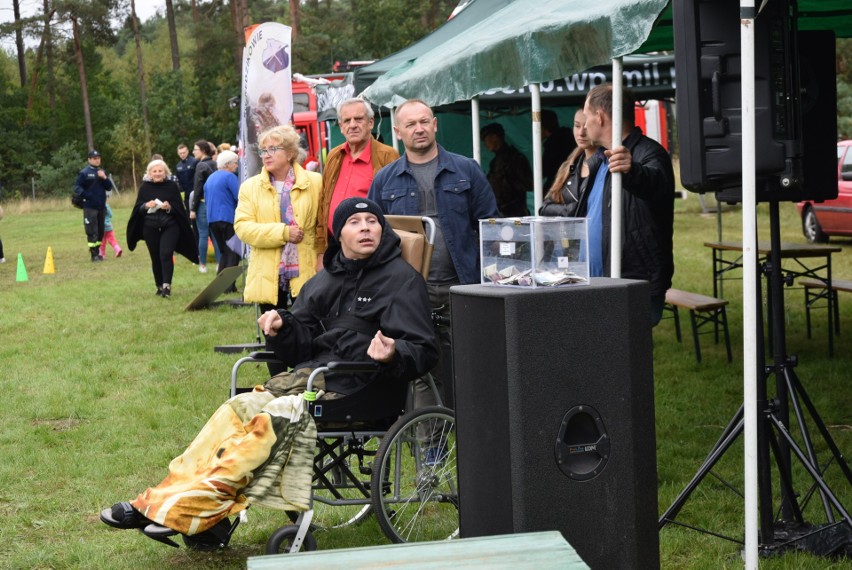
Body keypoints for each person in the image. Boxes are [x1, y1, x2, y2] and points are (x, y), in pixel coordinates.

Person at [99, 198, 438, 549]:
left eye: (372, 221)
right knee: (236, 409)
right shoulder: (325, 278)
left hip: (363, 387)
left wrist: (394, 352)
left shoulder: (402, 281)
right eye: (355, 222)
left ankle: (186, 513)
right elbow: (301, 345)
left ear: (382, 231)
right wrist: (281, 327)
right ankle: (160, 501)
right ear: (340, 233)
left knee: (268, 422)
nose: (365, 227)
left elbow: (425, 349)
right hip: (310, 380)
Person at [367, 98, 499, 411]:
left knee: (471, 363)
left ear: (435, 124)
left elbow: (490, 227)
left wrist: (491, 279)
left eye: (424, 121)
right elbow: (374, 239)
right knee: (420, 369)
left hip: (464, 286)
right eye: (410, 124)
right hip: (412, 293)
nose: (419, 129)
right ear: (398, 132)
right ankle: (431, 442)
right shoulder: (384, 180)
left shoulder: (466, 169)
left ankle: (474, 431)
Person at [580, 83, 675, 326]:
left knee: (627, 358)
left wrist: (631, 171)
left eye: (586, 115)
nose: (584, 124)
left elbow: (654, 184)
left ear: (599, 117)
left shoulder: (649, 154)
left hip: (631, 282)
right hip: (594, 282)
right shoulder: (599, 159)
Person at [234, 124, 323, 313]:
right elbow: (243, 228)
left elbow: (323, 224)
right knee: (274, 333)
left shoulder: (315, 182)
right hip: (266, 270)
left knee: (308, 329)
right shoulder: (250, 187)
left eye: (273, 149)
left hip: (307, 267)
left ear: (290, 153)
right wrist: (283, 233)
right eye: (263, 150)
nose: (266, 154)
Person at [316, 98, 399, 259]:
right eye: (347, 120)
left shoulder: (387, 156)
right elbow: (323, 203)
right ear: (341, 127)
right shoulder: (334, 155)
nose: (352, 125)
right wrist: (321, 250)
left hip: (370, 250)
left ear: (371, 122)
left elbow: (396, 210)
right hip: (336, 249)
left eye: (358, 119)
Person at [126, 159, 199, 297]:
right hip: (150, 226)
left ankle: (167, 286)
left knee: (165, 254)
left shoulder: (172, 186)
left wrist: (169, 207)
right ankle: (159, 286)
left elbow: (179, 208)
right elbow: (138, 209)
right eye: (155, 171)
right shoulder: (145, 187)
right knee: (155, 256)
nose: (158, 174)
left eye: (160, 171)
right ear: (149, 173)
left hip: (170, 225)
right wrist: (146, 206)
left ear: (165, 172)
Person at [539, 108, 599, 218]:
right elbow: (545, 207)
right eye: (577, 126)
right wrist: (571, 209)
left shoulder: (607, 165)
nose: (581, 132)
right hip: (571, 233)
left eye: (587, 126)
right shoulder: (570, 165)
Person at [205, 150, 241, 292]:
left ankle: (220, 284)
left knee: (224, 252)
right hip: (227, 217)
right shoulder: (229, 176)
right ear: (227, 164)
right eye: (235, 163)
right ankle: (229, 286)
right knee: (233, 251)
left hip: (212, 219)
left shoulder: (210, 178)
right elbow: (239, 196)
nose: (237, 166)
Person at [480, 122, 532, 217]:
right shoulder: (495, 161)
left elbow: (528, 184)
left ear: (495, 137)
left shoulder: (515, 158)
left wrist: (508, 179)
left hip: (514, 214)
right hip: (500, 212)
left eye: (486, 139)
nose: (485, 144)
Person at [74, 149, 113, 262]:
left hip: (101, 207)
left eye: (98, 158)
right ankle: (94, 255)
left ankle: (98, 252)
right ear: (89, 159)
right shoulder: (84, 173)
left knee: (101, 231)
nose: (97, 160)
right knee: (92, 231)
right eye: (94, 158)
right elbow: (77, 187)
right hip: (90, 207)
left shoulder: (101, 172)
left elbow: (109, 187)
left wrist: (104, 178)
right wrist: (87, 195)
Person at [190, 140, 220, 273]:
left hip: (203, 203)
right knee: (215, 235)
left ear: (202, 150)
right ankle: (220, 263)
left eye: (195, 149)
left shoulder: (200, 166)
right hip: (215, 203)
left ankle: (202, 264)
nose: (193, 152)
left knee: (203, 234)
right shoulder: (215, 163)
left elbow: (198, 189)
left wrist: (193, 208)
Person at [541, 109, 576, 194]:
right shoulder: (568, 138)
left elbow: (544, 170)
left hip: (559, 186)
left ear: (543, 126)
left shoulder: (552, 145)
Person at [175, 144, 198, 218]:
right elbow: (179, 181)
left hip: (195, 192)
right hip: (186, 195)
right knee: (188, 215)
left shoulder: (194, 162)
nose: (182, 155)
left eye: (184, 152)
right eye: (180, 153)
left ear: (188, 151)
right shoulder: (178, 165)